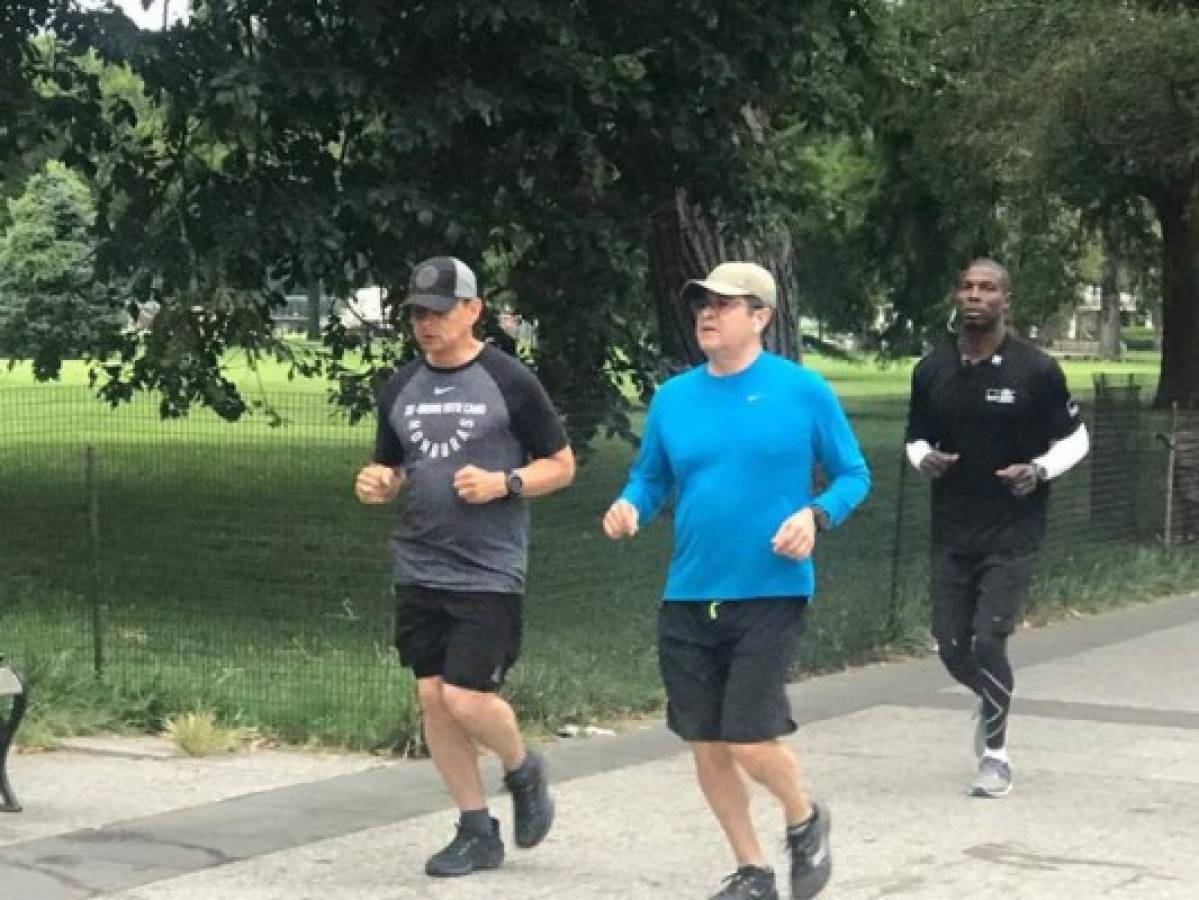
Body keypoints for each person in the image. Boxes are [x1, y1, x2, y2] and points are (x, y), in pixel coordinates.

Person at [602, 262, 870, 900]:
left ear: (761, 318)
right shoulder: (674, 398)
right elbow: (651, 477)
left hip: (771, 589)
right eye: (702, 302)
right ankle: (752, 870)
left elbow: (854, 474)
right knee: (706, 739)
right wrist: (630, 504)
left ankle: (804, 817)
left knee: (748, 735)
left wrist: (815, 514)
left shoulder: (802, 391)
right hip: (690, 592)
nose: (708, 313)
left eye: (726, 303)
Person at [355, 255, 575, 877]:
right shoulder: (400, 387)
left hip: (489, 570)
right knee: (431, 695)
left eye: (439, 311)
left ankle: (522, 768)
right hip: (419, 564)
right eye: (417, 313)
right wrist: (378, 482)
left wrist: (506, 481)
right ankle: (476, 828)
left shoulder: (509, 380)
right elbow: (391, 467)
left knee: (466, 696)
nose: (426, 324)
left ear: (473, 310)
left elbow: (561, 466)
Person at [905, 257, 1090, 799]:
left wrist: (1038, 470)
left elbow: (1076, 440)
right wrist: (924, 460)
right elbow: (916, 436)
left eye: (987, 288)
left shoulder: (1035, 370)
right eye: (966, 286)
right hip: (953, 528)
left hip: (1013, 528)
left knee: (989, 639)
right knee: (951, 646)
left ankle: (995, 755)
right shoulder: (932, 370)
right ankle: (992, 699)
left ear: (1006, 300)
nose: (975, 295)